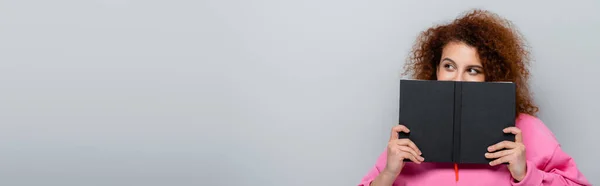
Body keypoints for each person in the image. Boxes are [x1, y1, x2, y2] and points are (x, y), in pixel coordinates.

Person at [358, 9, 591, 186]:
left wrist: (525, 174)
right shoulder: (409, 131)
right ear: (435, 69)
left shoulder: (527, 129)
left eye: (473, 70)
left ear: (491, 75)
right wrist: (388, 173)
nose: (457, 79)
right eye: (449, 66)